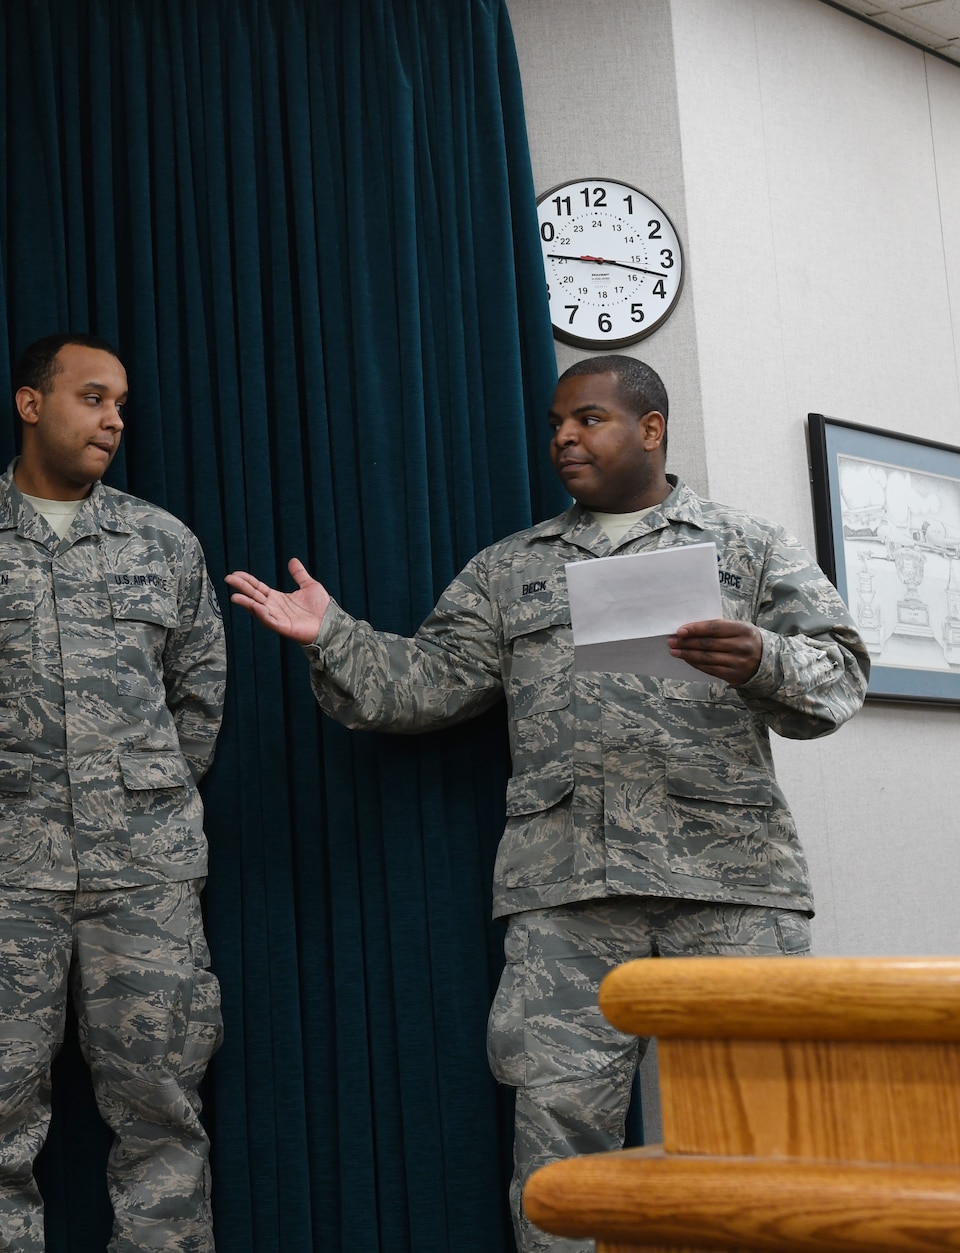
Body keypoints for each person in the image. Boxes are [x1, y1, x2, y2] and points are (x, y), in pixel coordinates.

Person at [225, 355, 869, 1253]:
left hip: (730, 886)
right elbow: (425, 685)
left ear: (651, 429)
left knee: (753, 1128)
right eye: (558, 422)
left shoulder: (746, 545)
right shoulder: (511, 568)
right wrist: (329, 635)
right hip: (567, 893)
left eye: (591, 419)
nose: (566, 436)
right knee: (560, 1154)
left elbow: (842, 675)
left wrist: (763, 657)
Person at [0, 333, 229, 1253]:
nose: (113, 419)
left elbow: (199, 700)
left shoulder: (162, 541)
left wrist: (137, 802)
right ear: (31, 403)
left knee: (164, 1114)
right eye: (92, 397)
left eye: (121, 405)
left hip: (143, 874)